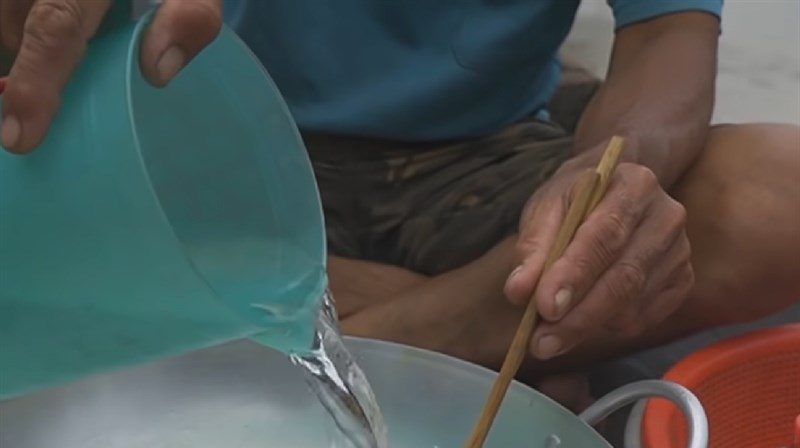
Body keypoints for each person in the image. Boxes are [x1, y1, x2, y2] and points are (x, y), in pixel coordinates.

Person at [2, 0, 798, 407]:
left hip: (483, 167)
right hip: (225, 161)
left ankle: (385, 327)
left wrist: (604, 183)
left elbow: (669, 36)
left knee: (778, 191)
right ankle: (487, 335)